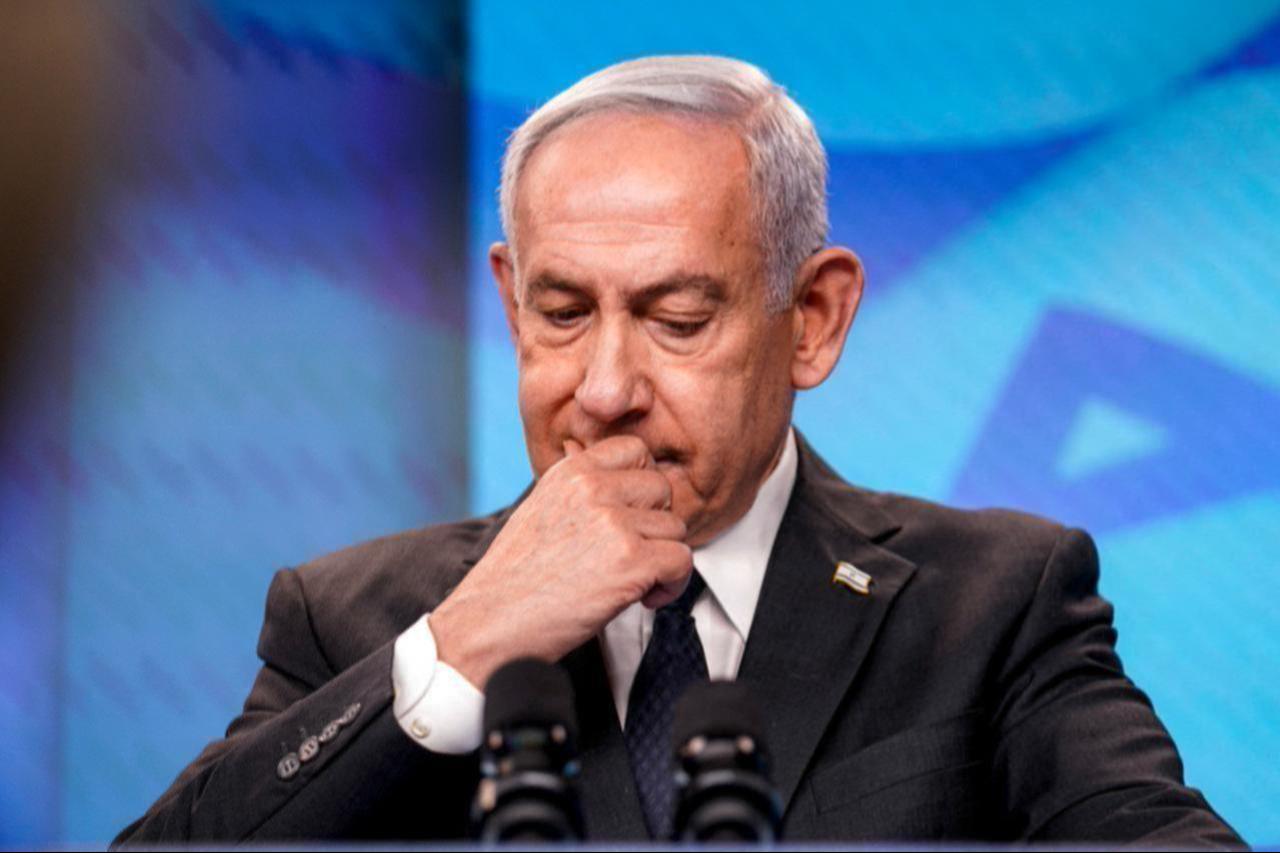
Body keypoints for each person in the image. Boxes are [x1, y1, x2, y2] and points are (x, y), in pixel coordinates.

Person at [115, 56, 1243, 847]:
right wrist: (458, 649)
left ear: (810, 319)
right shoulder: (351, 619)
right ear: (509, 301)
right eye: (561, 311)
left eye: (676, 318)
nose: (603, 390)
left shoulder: (995, 604)